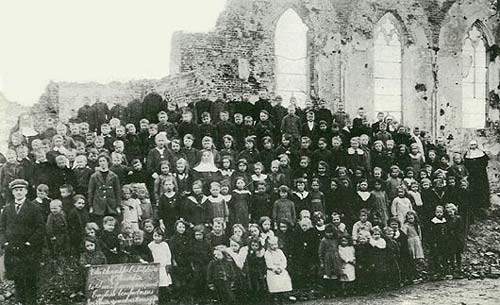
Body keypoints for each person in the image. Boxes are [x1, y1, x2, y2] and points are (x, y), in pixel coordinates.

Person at [0, 179, 45, 305]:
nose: (18, 192)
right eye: (16, 190)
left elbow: (40, 228)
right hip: (12, 249)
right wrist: (5, 243)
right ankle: (19, 302)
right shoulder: (7, 209)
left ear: (25, 191)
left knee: (30, 279)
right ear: (12, 192)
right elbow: (1, 228)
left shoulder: (34, 208)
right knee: (17, 279)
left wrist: (29, 243)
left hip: (28, 250)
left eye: (21, 190)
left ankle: (31, 302)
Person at [88, 154, 121, 224]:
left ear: (108, 162)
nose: (102, 163)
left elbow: (117, 191)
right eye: (100, 161)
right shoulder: (94, 176)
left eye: (104, 161)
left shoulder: (114, 176)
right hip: (98, 205)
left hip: (111, 205)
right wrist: (91, 206)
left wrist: (118, 205)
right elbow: (91, 192)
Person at [148, 228, 173, 304]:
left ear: (162, 237)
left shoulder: (164, 245)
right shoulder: (151, 245)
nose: (157, 238)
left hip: (163, 267)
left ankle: (165, 299)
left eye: (159, 236)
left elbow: (168, 255)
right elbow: (149, 255)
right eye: (155, 236)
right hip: (155, 266)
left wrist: (168, 263)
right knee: (156, 284)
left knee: (164, 283)